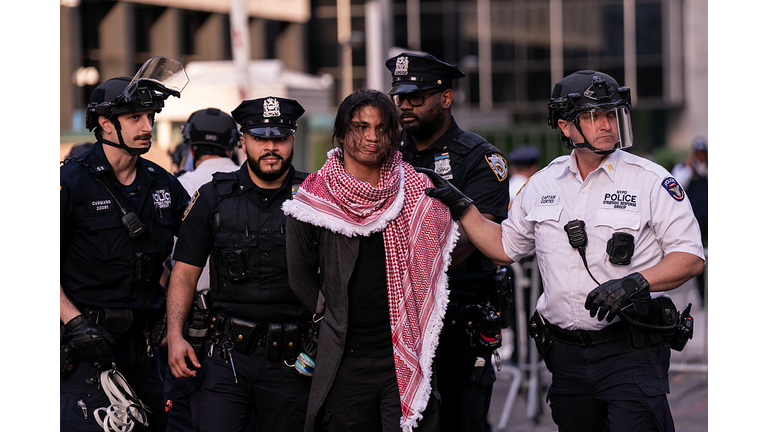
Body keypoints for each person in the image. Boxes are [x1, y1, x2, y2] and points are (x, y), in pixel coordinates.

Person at [417, 70, 706, 432]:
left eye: (611, 114)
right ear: (566, 126)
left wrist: (635, 283)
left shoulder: (651, 180)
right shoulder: (542, 185)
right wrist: (464, 208)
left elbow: (691, 257)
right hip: (566, 358)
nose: (607, 125)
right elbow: (504, 248)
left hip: (630, 353)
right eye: (594, 116)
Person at [282, 88, 457, 431]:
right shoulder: (314, 197)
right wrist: (329, 314)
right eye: (361, 126)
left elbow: (447, 249)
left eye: (381, 128)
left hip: (404, 356)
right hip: (345, 360)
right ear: (343, 130)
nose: (372, 137)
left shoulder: (418, 190)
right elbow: (298, 275)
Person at [166, 96, 313, 432]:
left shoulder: (314, 197)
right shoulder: (213, 197)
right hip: (226, 358)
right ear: (243, 141)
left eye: (280, 138)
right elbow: (185, 273)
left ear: (292, 139)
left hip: (294, 362)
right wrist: (175, 335)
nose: (271, 147)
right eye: (261, 138)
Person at [60, 56, 190, 432]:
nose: (147, 126)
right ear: (105, 123)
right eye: (135, 117)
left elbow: (197, 249)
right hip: (86, 350)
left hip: (145, 352)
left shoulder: (163, 183)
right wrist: (76, 323)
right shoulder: (71, 183)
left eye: (150, 116)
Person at [385, 51, 509, 432]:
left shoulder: (478, 158)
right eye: (400, 98)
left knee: (461, 422)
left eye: (416, 97)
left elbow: (473, 239)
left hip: (458, 321)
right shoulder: (388, 154)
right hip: (398, 321)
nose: (405, 106)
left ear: (446, 98)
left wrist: (398, 266)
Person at [163, 107, 241, 432]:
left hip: (190, 327)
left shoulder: (177, 187)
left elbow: (164, 260)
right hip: (247, 327)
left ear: (191, 148)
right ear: (235, 143)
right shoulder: (254, 184)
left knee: (185, 415)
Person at [672, 137, 708, 302]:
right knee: (700, 258)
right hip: (697, 221)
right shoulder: (684, 169)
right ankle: (702, 297)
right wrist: (689, 169)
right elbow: (676, 187)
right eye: (698, 153)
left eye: (703, 153)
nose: (701, 156)